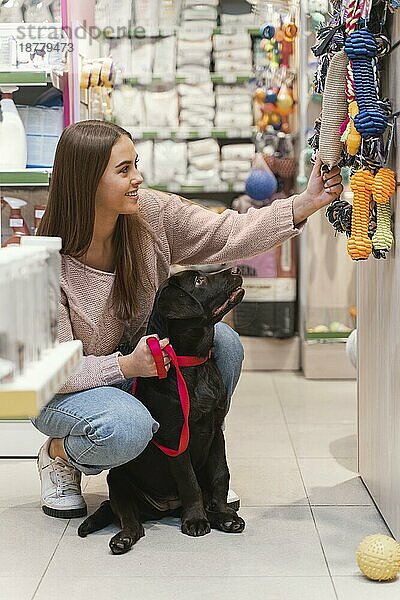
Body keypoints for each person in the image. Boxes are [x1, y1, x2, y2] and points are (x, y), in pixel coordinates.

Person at [32, 120, 343, 519]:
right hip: (65, 391)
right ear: (86, 180)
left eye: (136, 165)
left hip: (135, 365)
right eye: (123, 170)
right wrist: (126, 365)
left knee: (224, 345)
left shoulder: (151, 216)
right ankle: (59, 455)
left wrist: (303, 204)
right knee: (125, 427)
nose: (138, 179)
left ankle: (191, 460)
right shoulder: (47, 264)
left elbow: (226, 234)